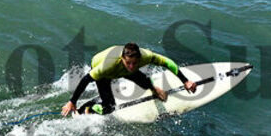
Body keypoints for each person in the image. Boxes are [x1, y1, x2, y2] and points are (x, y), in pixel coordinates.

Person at [61, 42, 197, 116]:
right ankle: (88, 110)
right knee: (109, 108)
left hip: (120, 68)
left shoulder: (145, 56)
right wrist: (72, 102)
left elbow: (167, 63)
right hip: (102, 67)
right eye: (128, 63)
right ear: (122, 59)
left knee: (142, 78)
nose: (132, 66)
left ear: (139, 59)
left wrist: (185, 81)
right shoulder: (107, 66)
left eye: (135, 63)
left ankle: (154, 89)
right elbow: (86, 79)